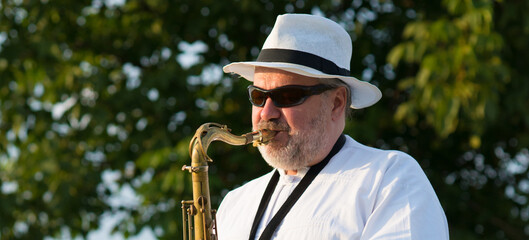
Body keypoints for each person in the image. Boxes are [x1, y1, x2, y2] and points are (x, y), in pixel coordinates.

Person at [216, 13, 449, 240]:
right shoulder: (235, 203)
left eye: (287, 96)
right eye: (258, 96)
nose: (266, 113)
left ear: (336, 103)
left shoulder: (389, 178)